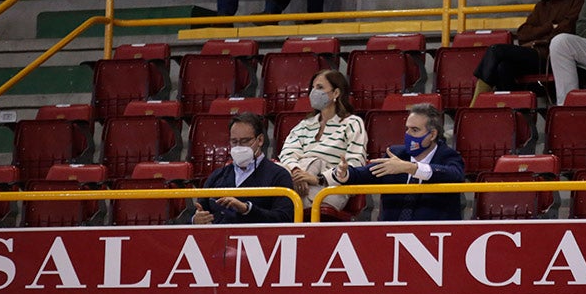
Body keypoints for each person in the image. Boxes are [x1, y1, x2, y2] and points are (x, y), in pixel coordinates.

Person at [471, 0, 586, 103]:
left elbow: (568, 27)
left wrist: (542, 33)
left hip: (558, 56)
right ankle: (516, 117)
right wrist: (549, 27)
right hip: (537, 53)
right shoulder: (544, 4)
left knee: (496, 50)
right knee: (503, 67)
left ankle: (476, 104)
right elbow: (522, 34)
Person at [331, 103, 465, 221]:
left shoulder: (448, 156)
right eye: (407, 129)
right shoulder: (396, 154)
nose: (408, 134)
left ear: (433, 135)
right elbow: (365, 173)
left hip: (435, 236)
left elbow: (455, 176)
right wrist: (344, 173)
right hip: (392, 234)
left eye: (415, 130)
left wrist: (411, 168)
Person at [279, 69, 369, 210]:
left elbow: (355, 164)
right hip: (297, 181)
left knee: (283, 202)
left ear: (336, 93)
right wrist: (297, 172)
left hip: (331, 187)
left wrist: (318, 178)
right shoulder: (305, 125)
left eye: (320, 87)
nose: (314, 92)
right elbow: (287, 153)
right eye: (313, 88)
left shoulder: (352, 123)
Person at [193, 112, 295, 224]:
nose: (238, 147)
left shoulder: (279, 175)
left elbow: (285, 218)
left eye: (245, 141)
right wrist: (196, 220)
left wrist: (247, 209)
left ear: (260, 140)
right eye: (234, 142)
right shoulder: (217, 176)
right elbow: (200, 210)